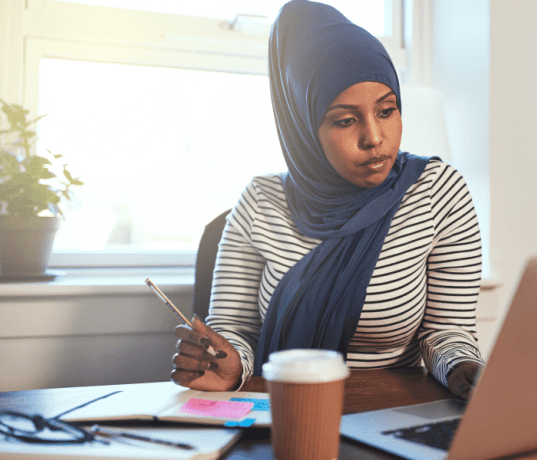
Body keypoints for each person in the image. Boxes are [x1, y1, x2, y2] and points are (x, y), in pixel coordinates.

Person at [171, 0, 485, 400]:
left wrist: (462, 367)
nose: (374, 137)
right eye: (345, 120)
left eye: (387, 111)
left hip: (391, 411)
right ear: (304, 124)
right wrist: (229, 366)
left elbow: (447, 331)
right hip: (283, 409)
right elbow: (235, 331)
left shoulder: (439, 192)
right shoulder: (260, 201)